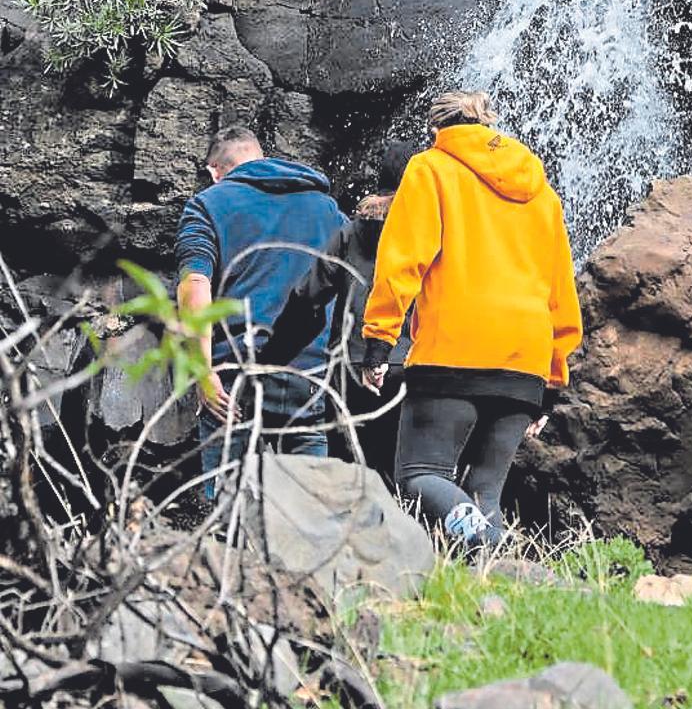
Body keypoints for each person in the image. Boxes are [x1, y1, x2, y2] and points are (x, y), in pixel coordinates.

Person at [360, 91, 582, 551]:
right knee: (486, 490)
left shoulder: (430, 168)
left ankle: (480, 539)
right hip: (526, 359)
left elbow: (403, 260)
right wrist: (553, 384)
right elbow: (561, 290)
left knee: (420, 474)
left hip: (454, 351)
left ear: (436, 131)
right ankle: (495, 576)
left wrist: (379, 340)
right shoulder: (542, 193)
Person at [175, 124, 345, 495]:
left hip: (235, 372)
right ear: (260, 157)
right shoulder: (326, 208)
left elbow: (195, 285)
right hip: (309, 372)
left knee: (225, 503)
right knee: (310, 503)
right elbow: (358, 280)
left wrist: (203, 373)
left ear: (214, 171)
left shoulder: (208, 204)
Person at [259, 136, 416, 482]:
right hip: (414, 365)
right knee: (410, 471)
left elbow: (306, 299)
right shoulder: (432, 232)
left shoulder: (352, 233)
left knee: (352, 472)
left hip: (351, 366)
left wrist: (271, 358)